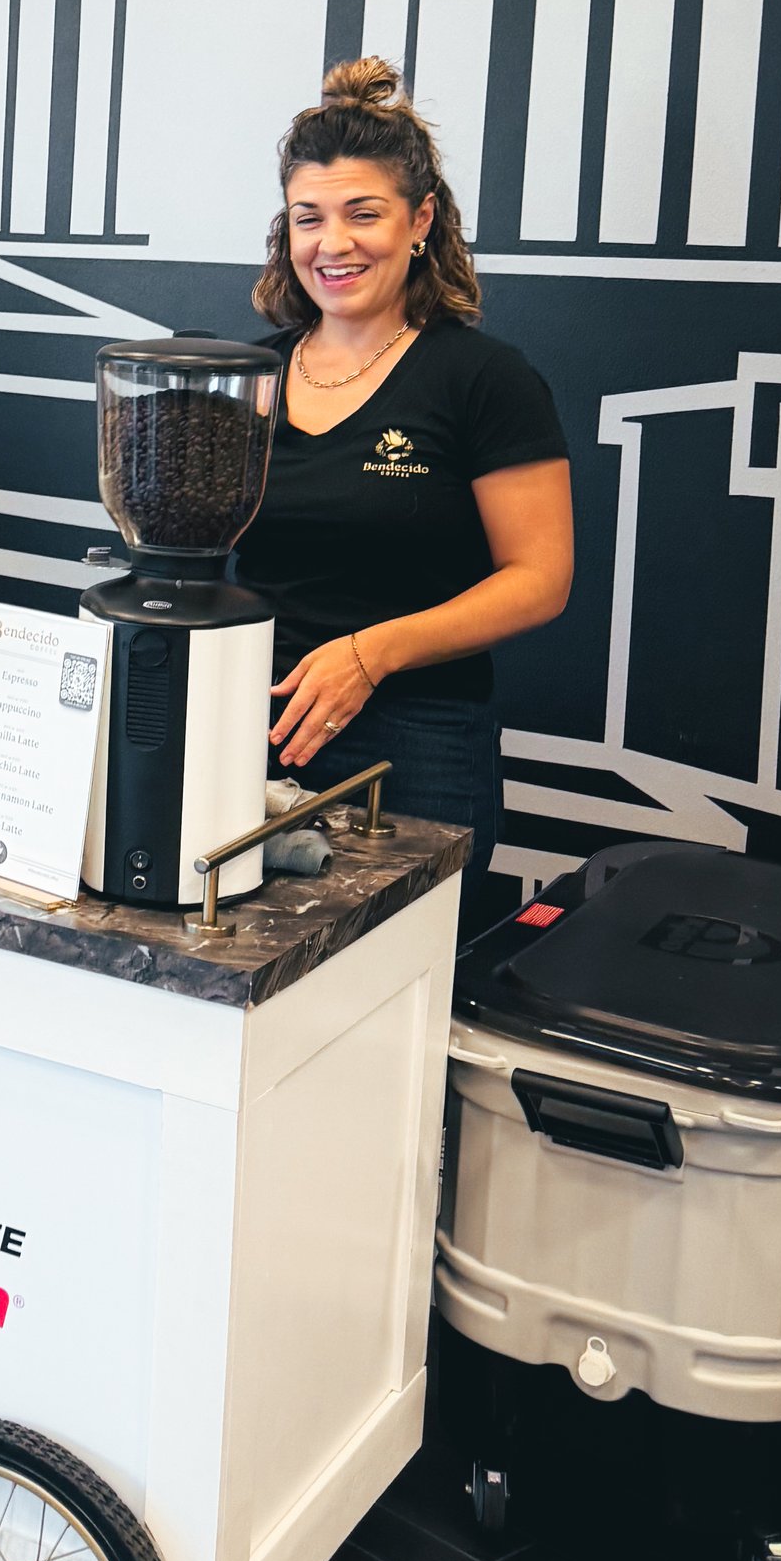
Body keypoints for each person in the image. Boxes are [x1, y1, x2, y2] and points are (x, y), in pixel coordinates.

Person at [235, 55, 572, 924]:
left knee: (391, 1016)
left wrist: (370, 653)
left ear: (421, 220)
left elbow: (541, 577)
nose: (333, 243)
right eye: (309, 217)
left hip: (417, 746)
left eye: (363, 213)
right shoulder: (254, 378)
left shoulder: (482, 380)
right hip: (250, 736)